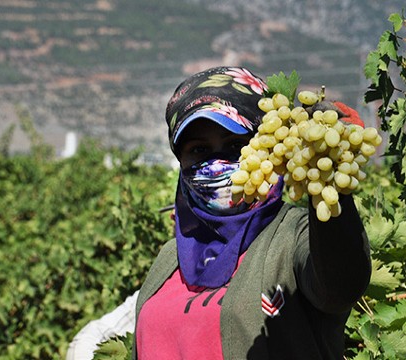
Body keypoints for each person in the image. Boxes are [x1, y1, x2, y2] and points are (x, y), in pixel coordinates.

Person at [67, 66, 371, 360]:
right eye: (199, 150)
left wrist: (327, 179)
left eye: (236, 145)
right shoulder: (171, 257)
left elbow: (340, 286)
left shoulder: (293, 238)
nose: (217, 163)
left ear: (267, 147)